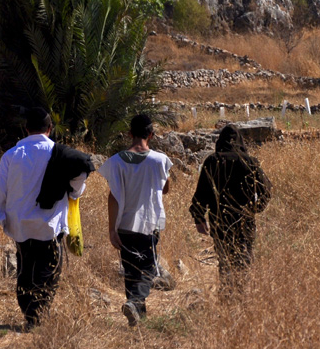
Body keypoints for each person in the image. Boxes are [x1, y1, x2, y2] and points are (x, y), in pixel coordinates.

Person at [0, 107, 92, 329]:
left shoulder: (11, 155)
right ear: (50, 129)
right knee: (48, 271)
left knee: (25, 269)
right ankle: (37, 317)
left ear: (26, 129)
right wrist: (74, 192)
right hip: (48, 227)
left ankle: (31, 315)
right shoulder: (60, 154)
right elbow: (81, 172)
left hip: (20, 226)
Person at [99, 114, 175, 326]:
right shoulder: (159, 160)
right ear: (150, 134)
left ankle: (137, 315)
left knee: (131, 268)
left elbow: (113, 196)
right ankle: (134, 303)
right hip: (149, 223)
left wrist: (112, 229)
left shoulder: (115, 162)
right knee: (148, 268)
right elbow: (166, 188)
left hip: (124, 224)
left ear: (130, 134)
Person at [190, 125, 271, 300]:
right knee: (244, 259)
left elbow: (201, 193)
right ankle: (241, 297)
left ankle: (227, 297)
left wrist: (199, 218)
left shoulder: (213, 161)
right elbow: (266, 192)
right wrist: (253, 209)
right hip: (245, 222)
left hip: (220, 222)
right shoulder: (249, 161)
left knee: (225, 260)